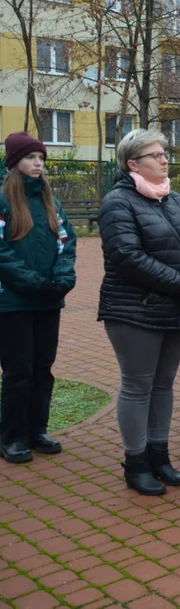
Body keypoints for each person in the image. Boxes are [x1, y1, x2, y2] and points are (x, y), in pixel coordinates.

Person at [98, 130, 180, 495]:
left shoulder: (175, 200)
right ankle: (136, 463)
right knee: (137, 386)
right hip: (133, 311)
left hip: (175, 308)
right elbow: (127, 257)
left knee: (163, 386)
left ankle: (159, 456)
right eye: (155, 155)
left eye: (165, 153)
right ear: (133, 163)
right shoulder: (118, 203)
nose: (165, 159)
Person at [0, 132, 76, 464]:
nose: (38, 164)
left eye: (42, 159)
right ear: (14, 161)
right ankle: (12, 437)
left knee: (43, 368)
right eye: (31, 158)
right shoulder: (3, 201)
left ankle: (36, 431)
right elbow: (2, 253)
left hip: (48, 300)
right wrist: (34, 282)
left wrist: (61, 279)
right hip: (13, 303)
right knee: (19, 371)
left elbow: (67, 241)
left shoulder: (50, 201)